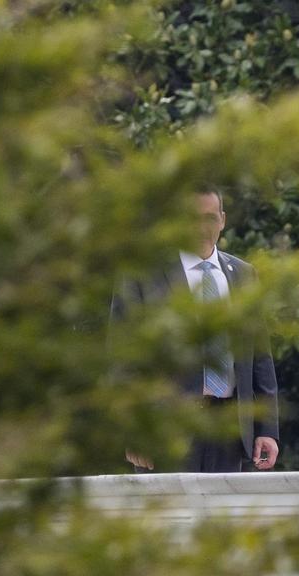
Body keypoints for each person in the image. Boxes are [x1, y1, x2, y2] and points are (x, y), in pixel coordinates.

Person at [111, 189, 280, 472]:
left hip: (229, 431)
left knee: (223, 517)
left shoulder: (243, 275)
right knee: (169, 517)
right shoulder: (142, 274)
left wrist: (267, 428)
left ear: (223, 220)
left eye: (210, 218)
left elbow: (259, 357)